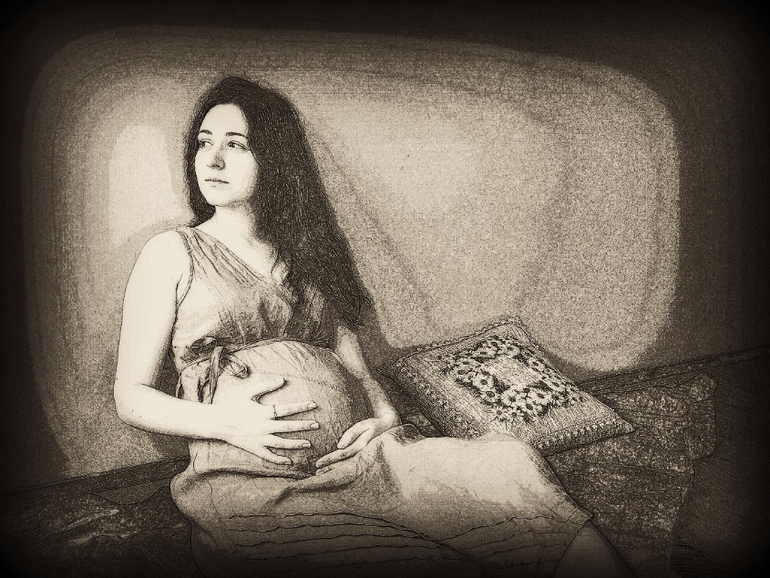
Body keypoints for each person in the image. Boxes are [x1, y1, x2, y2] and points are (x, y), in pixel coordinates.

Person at [114, 77, 633, 577]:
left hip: (366, 458)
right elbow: (130, 396)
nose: (212, 159)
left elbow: (356, 368)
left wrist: (384, 414)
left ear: (274, 159)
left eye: (236, 144)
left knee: (508, 469)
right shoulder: (172, 252)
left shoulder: (309, 253)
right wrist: (231, 425)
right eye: (204, 142)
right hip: (252, 474)